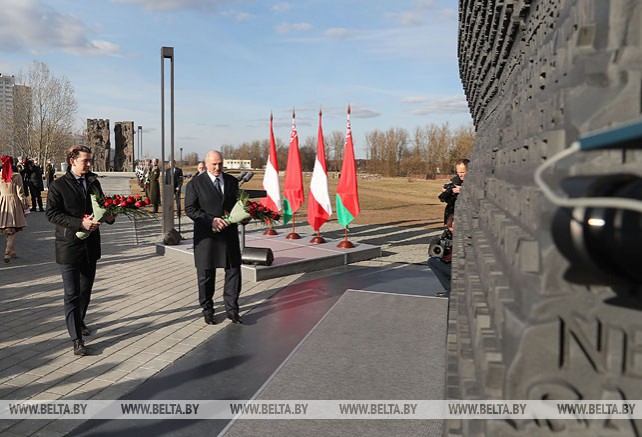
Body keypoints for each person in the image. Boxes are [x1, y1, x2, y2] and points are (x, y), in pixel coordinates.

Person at [46, 145, 116, 356]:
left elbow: (101, 207)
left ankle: (80, 320)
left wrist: (110, 216)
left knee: (85, 291)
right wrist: (79, 223)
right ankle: (76, 339)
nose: (89, 164)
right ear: (72, 161)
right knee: (72, 293)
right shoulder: (58, 186)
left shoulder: (94, 182)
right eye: (85, 160)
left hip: (90, 246)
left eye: (89, 160)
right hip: (69, 246)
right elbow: (52, 214)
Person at [185, 150, 243, 325]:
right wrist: (211, 221)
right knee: (206, 276)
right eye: (214, 164)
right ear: (206, 163)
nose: (217, 167)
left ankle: (232, 310)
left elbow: (237, 206)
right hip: (207, 237)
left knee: (233, 273)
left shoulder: (232, 181)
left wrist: (244, 216)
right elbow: (190, 209)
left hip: (229, 236)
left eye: (220, 164)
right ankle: (208, 310)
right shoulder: (195, 183)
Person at [0, 156, 29, 262]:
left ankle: (12, 251)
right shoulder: (16, 176)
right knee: (12, 228)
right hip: (13, 203)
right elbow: (20, 192)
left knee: (8, 228)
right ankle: (8, 250)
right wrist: (25, 204)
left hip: (2, 202)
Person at [427, 214, 454, 297]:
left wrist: (453, 256)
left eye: (453, 228)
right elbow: (434, 251)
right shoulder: (445, 236)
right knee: (432, 261)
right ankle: (450, 288)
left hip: (461, 264)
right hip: (449, 262)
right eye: (450, 228)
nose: (451, 230)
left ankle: (451, 290)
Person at [438, 159, 469, 224]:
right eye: (458, 172)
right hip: (453, 217)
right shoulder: (455, 182)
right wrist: (446, 192)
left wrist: (464, 191)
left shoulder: (477, 183)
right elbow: (449, 201)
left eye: (462, 172)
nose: (460, 175)